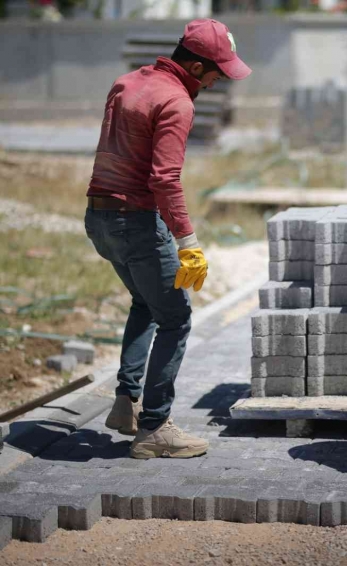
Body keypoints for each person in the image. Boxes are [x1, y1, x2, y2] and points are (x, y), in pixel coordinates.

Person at [85, 19, 252, 459]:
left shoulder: (127, 83)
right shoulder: (177, 101)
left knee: (147, 302)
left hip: (100, 219)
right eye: (217, 72)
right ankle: (155, 427)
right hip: (137, 221)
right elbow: (165, 179)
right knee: (176, 317)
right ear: (196, 66)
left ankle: (127, 403)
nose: (218, 82)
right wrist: (188, 242)